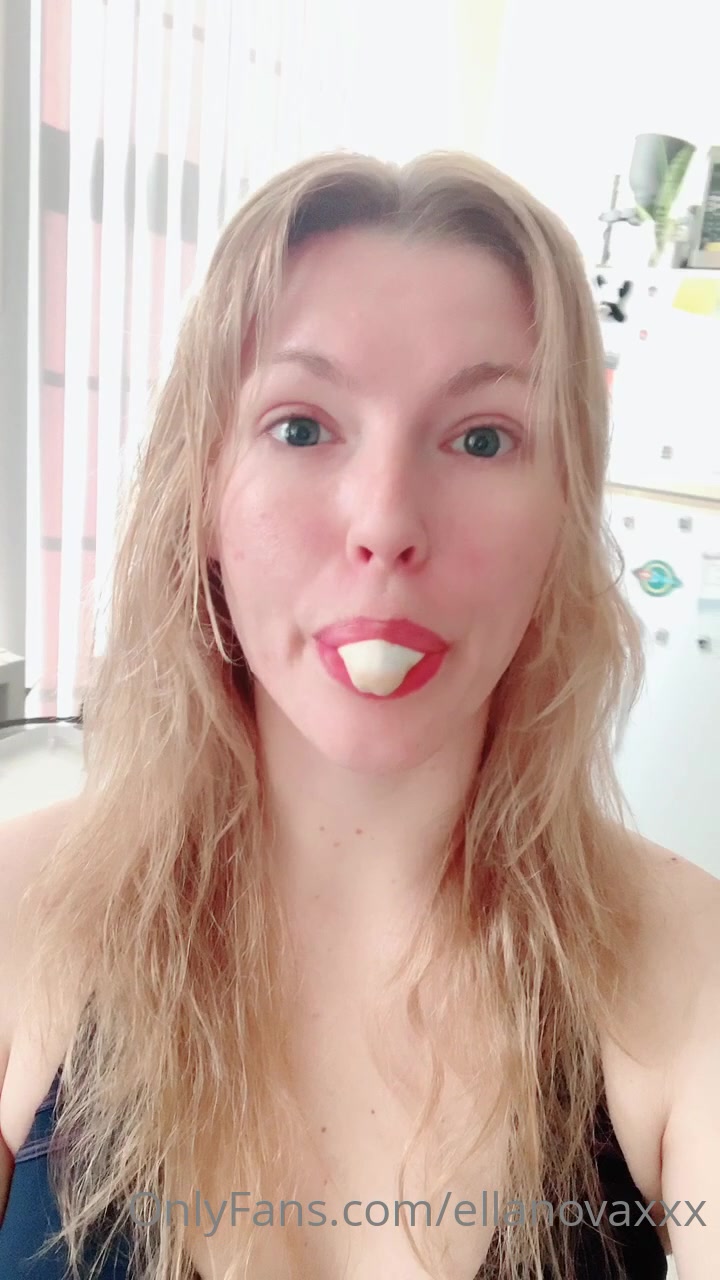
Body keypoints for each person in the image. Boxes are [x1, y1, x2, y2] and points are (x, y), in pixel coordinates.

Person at [0, 149, 718, 1280]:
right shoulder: (18, 919)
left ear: (563, 518)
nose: (386, 522)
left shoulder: (691, 968)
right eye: (301, 426)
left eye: (482, 437)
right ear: (202, 494)